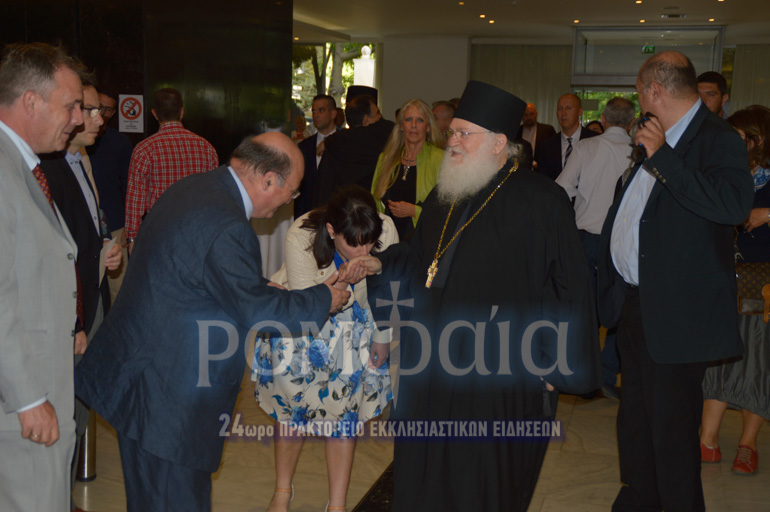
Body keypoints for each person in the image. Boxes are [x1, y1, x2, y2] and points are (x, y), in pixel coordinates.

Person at [353, 80, 600, 511]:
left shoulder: (542, 200)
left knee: (481, 479)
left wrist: (554, 364)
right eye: (452, 132)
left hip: (499, 367)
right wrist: (380, 264)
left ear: (499, 143)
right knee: (423, 470)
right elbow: (419, 258)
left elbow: (570, 289)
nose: (452, 141)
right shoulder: (445, 194)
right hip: (432, 362)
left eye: (463, 133)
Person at [74, 133, 350, 511]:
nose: (291, 200)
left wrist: (255, 286)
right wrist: (324, 299)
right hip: (170, 404)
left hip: (141, 382)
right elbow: (258, 312)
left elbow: (197, 271)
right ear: (269, 179)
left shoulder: (196, 186)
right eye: (293, 191)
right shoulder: (229, 224)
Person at [597, 51, 754, 510]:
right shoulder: (652, 135)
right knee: (636, 422)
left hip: (679, 312)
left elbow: (733, 206)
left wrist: (664, 157)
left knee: (671, 433)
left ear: (654, 91)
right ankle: (639, 499)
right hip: (636, 304)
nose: (640, 100)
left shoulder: (717, 138)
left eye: (640, 92)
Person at [256, 186, 397, 512]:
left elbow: (390, 288)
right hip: (302, 324)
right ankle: (282, 491)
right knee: (291, 410)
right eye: (354, 243)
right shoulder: (301, 235)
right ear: (332, 231)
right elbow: (309, 308)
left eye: (369, 242)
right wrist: (342, 279)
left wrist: (382, 334)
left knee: (344, 415)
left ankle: (337, 505)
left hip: (355, 327)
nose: (363, 250)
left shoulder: (385, 229)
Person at [0, 41, 83, 512]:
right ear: (31, 101)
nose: (78, 119)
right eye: (71, 105)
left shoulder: (24, 166)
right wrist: (29, 397)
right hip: (20, 407)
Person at [39, 79, 123, 507]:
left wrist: (106, 243)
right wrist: (73, 320)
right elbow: (53, 252)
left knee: (78, 405)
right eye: (86, 109)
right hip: (69, 311)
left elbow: (91, 223)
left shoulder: (80, 159)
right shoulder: (47, 169)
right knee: (62, 409)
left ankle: (64, 493)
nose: (95, 120)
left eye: (98, 111)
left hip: (91, 299)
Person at [701, 105, 770, 475]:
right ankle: (707, 439)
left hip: (764, 283)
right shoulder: (725, 170)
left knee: (758, 361)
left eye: (738, 136)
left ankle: (748, 444)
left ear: (757, 140)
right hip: (724, 276)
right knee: (719, 356)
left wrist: (767, 213)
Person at [556, 97, 636, 400]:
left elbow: (561, 188)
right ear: (631, 123)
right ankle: (606, 374)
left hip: (586, 240)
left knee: (583, 309)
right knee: (619, 311)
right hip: (621, 243)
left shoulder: (585, 147)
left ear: (602, 119)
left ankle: (582, 375)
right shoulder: (638, 151)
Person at [124, 87, 219, 252]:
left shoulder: (144, 150)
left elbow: (135, 201)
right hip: (196, 234)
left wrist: (132, 238)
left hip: (158, 234)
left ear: (154, 114)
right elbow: (214, 197)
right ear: (182, 111)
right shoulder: (206, 148)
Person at [371, 98, 444, 241]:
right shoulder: (385, 159)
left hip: (422, 240)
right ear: (400, 126)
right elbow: (374, 201)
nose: (414, 125)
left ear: (428, 127)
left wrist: (415, 211)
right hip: (387, 240)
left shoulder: (440, 159)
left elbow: (446, 209)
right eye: (408, 119)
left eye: (420, 120)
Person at [88, 87, 133, 302]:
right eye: (100, 107)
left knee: (118, 287)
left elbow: (129, 184)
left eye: (108, 109)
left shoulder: (120, 142)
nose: (103, 113)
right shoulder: (76, 141)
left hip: (114, 221)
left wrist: (128, 225)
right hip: (86, 224)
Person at [312, 93, 394, 208]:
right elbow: (389, 127)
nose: (380, 117)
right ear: (366, 120)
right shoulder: (377, 141)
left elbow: (323, 189)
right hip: (369, 210)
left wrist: (328, 141)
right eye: (377, 114)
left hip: (337, 210)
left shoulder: (333, 147)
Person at [536, 93, 598, 180]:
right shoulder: (547, 146)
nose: (563, 113)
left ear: (580, 112)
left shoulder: (595, 140)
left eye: (568, 108)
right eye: (560, 108)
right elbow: (544, 180)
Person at [296, 94, 337, 218]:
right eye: (314, 111)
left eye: (321, 110)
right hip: (309, 214)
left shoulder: (345, 144)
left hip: (337, 213)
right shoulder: (304, 146)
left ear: (333, 114)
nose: (316, 115)